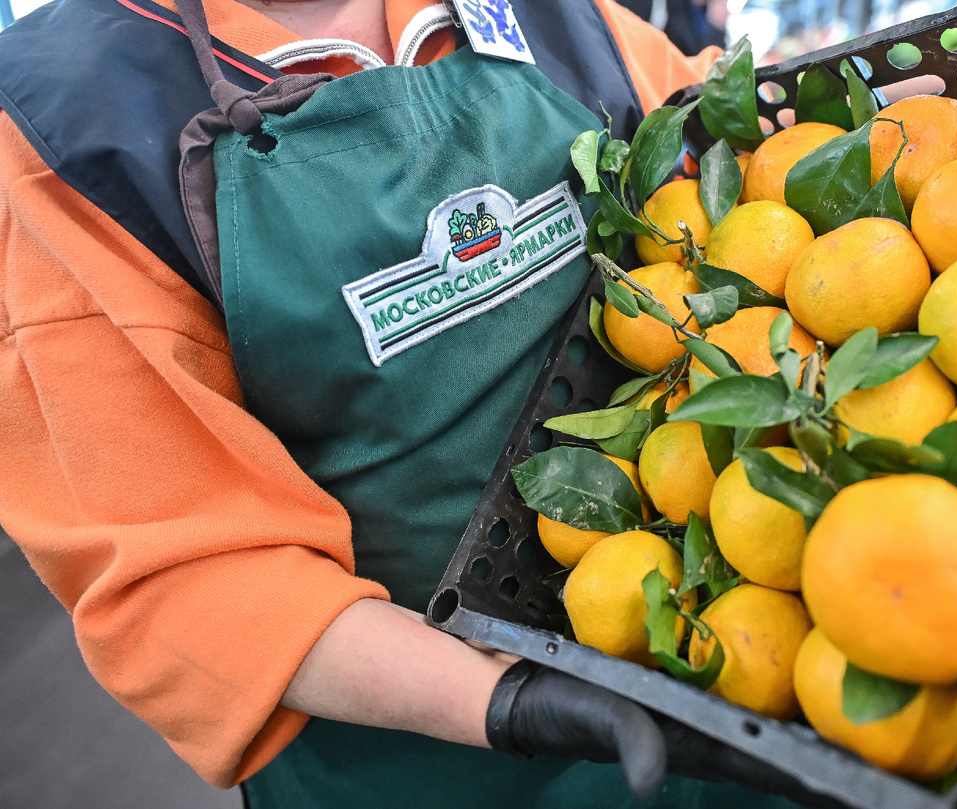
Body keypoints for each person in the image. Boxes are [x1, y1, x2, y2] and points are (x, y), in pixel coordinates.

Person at [0, 0, 809, 806]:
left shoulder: (557, 15)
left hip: (745, 641)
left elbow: (720, 143)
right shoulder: (66, 116)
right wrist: (499, 702)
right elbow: (180, 560)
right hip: (426, 758)